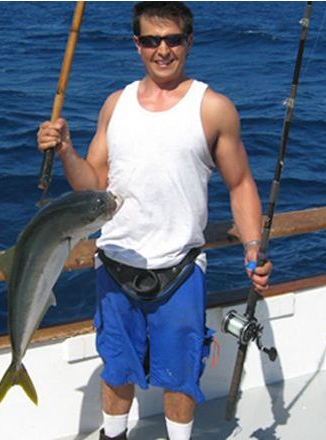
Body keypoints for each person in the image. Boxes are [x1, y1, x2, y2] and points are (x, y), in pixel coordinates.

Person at [34, 3, 273, 439]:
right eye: (151, 40)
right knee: (117, 367)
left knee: (180, 375)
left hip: (180, 268)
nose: (162, 50)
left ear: (189, 41)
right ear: (137, 45)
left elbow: (240, 185)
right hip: (115, 263)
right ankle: (113, 434)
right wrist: (67, 150)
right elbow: (94, 185)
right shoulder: (115, 104)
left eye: (172, 40)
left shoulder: (213, 107)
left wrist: (253, 247)